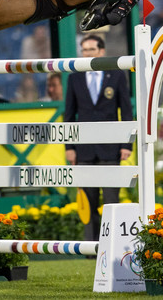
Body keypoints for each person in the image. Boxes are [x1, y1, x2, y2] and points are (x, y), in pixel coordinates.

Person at [63, 34, 133, 241]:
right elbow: (69, 115)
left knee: (111, 200)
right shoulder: (74, 77)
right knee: (88, 200)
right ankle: (90, 248)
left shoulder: (117, 75)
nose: (87, 54)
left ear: (101, 51)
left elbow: (126, 112)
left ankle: (112, 243)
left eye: (91, 50)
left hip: (111, 148)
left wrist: (127, 143)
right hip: (84, 149)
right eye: (84, 50)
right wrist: (69, 146)